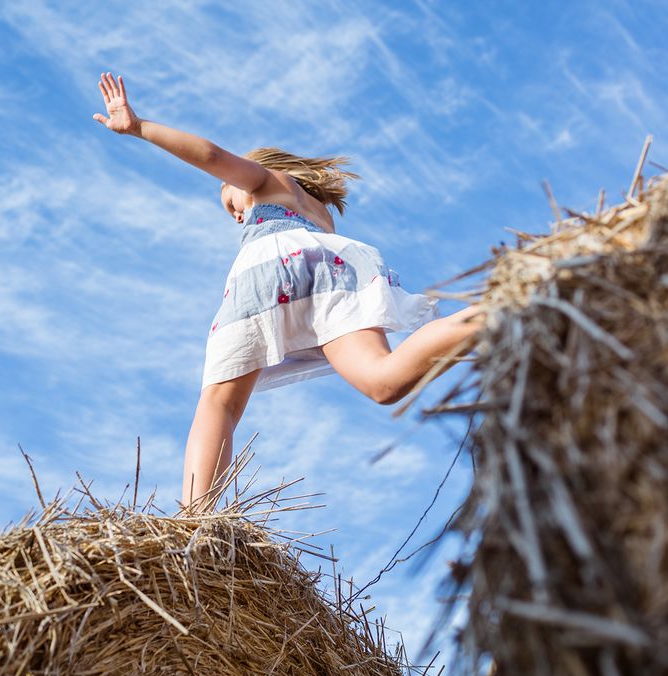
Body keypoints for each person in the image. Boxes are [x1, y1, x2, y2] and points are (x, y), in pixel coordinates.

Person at [93, 72, 484, 515]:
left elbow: (210, 154)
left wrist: (139, 126)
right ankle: (491, 315)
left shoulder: (266, 182)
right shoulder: (318, 214)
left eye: (230, 206)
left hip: (276, 270)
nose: (237, 219)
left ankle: (192, 523)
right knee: (383, 381)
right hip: (336, 270)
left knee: (219, 399)